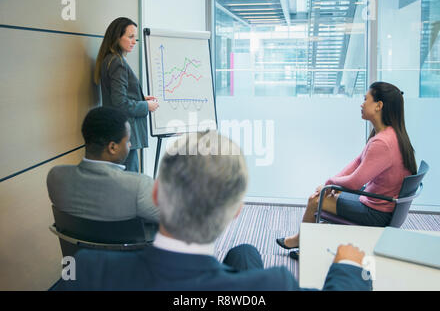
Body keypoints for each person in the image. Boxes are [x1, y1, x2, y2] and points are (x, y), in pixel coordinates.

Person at [51, 131, 372, 291]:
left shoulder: (87, 271)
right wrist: (348, 266)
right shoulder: (273, 284)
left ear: (157, 193)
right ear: (236, 212)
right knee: (244, 256)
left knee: (244, 253)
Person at [277, 82, 417, 259]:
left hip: (376, 212)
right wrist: (333, 182)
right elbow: (358, 161)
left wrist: (329, 184)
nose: (362, 103)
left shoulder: (382, 142)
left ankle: (302, 244)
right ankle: (304, 240)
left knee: (315, 200)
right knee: (325, 194)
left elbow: (355, 183)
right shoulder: (388, 134)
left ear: (379, 106)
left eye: (366, 99)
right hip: (380, 203)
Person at [47, 107, 159, 240]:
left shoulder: (56, 177)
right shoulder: (139, 186)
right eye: (127, 140)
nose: (129, 145)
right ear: (113, 147)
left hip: (81, 258)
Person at [94, 17, 159, 172]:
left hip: (116, 132)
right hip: (124, 134)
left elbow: (116, 96)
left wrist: (141, 98)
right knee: (131, 184)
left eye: (134, 37)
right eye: (130, 37)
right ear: (117, 37)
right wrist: (146, 106)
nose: (134, 41)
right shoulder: (117, 63)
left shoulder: (109, 60)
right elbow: (120, 104)